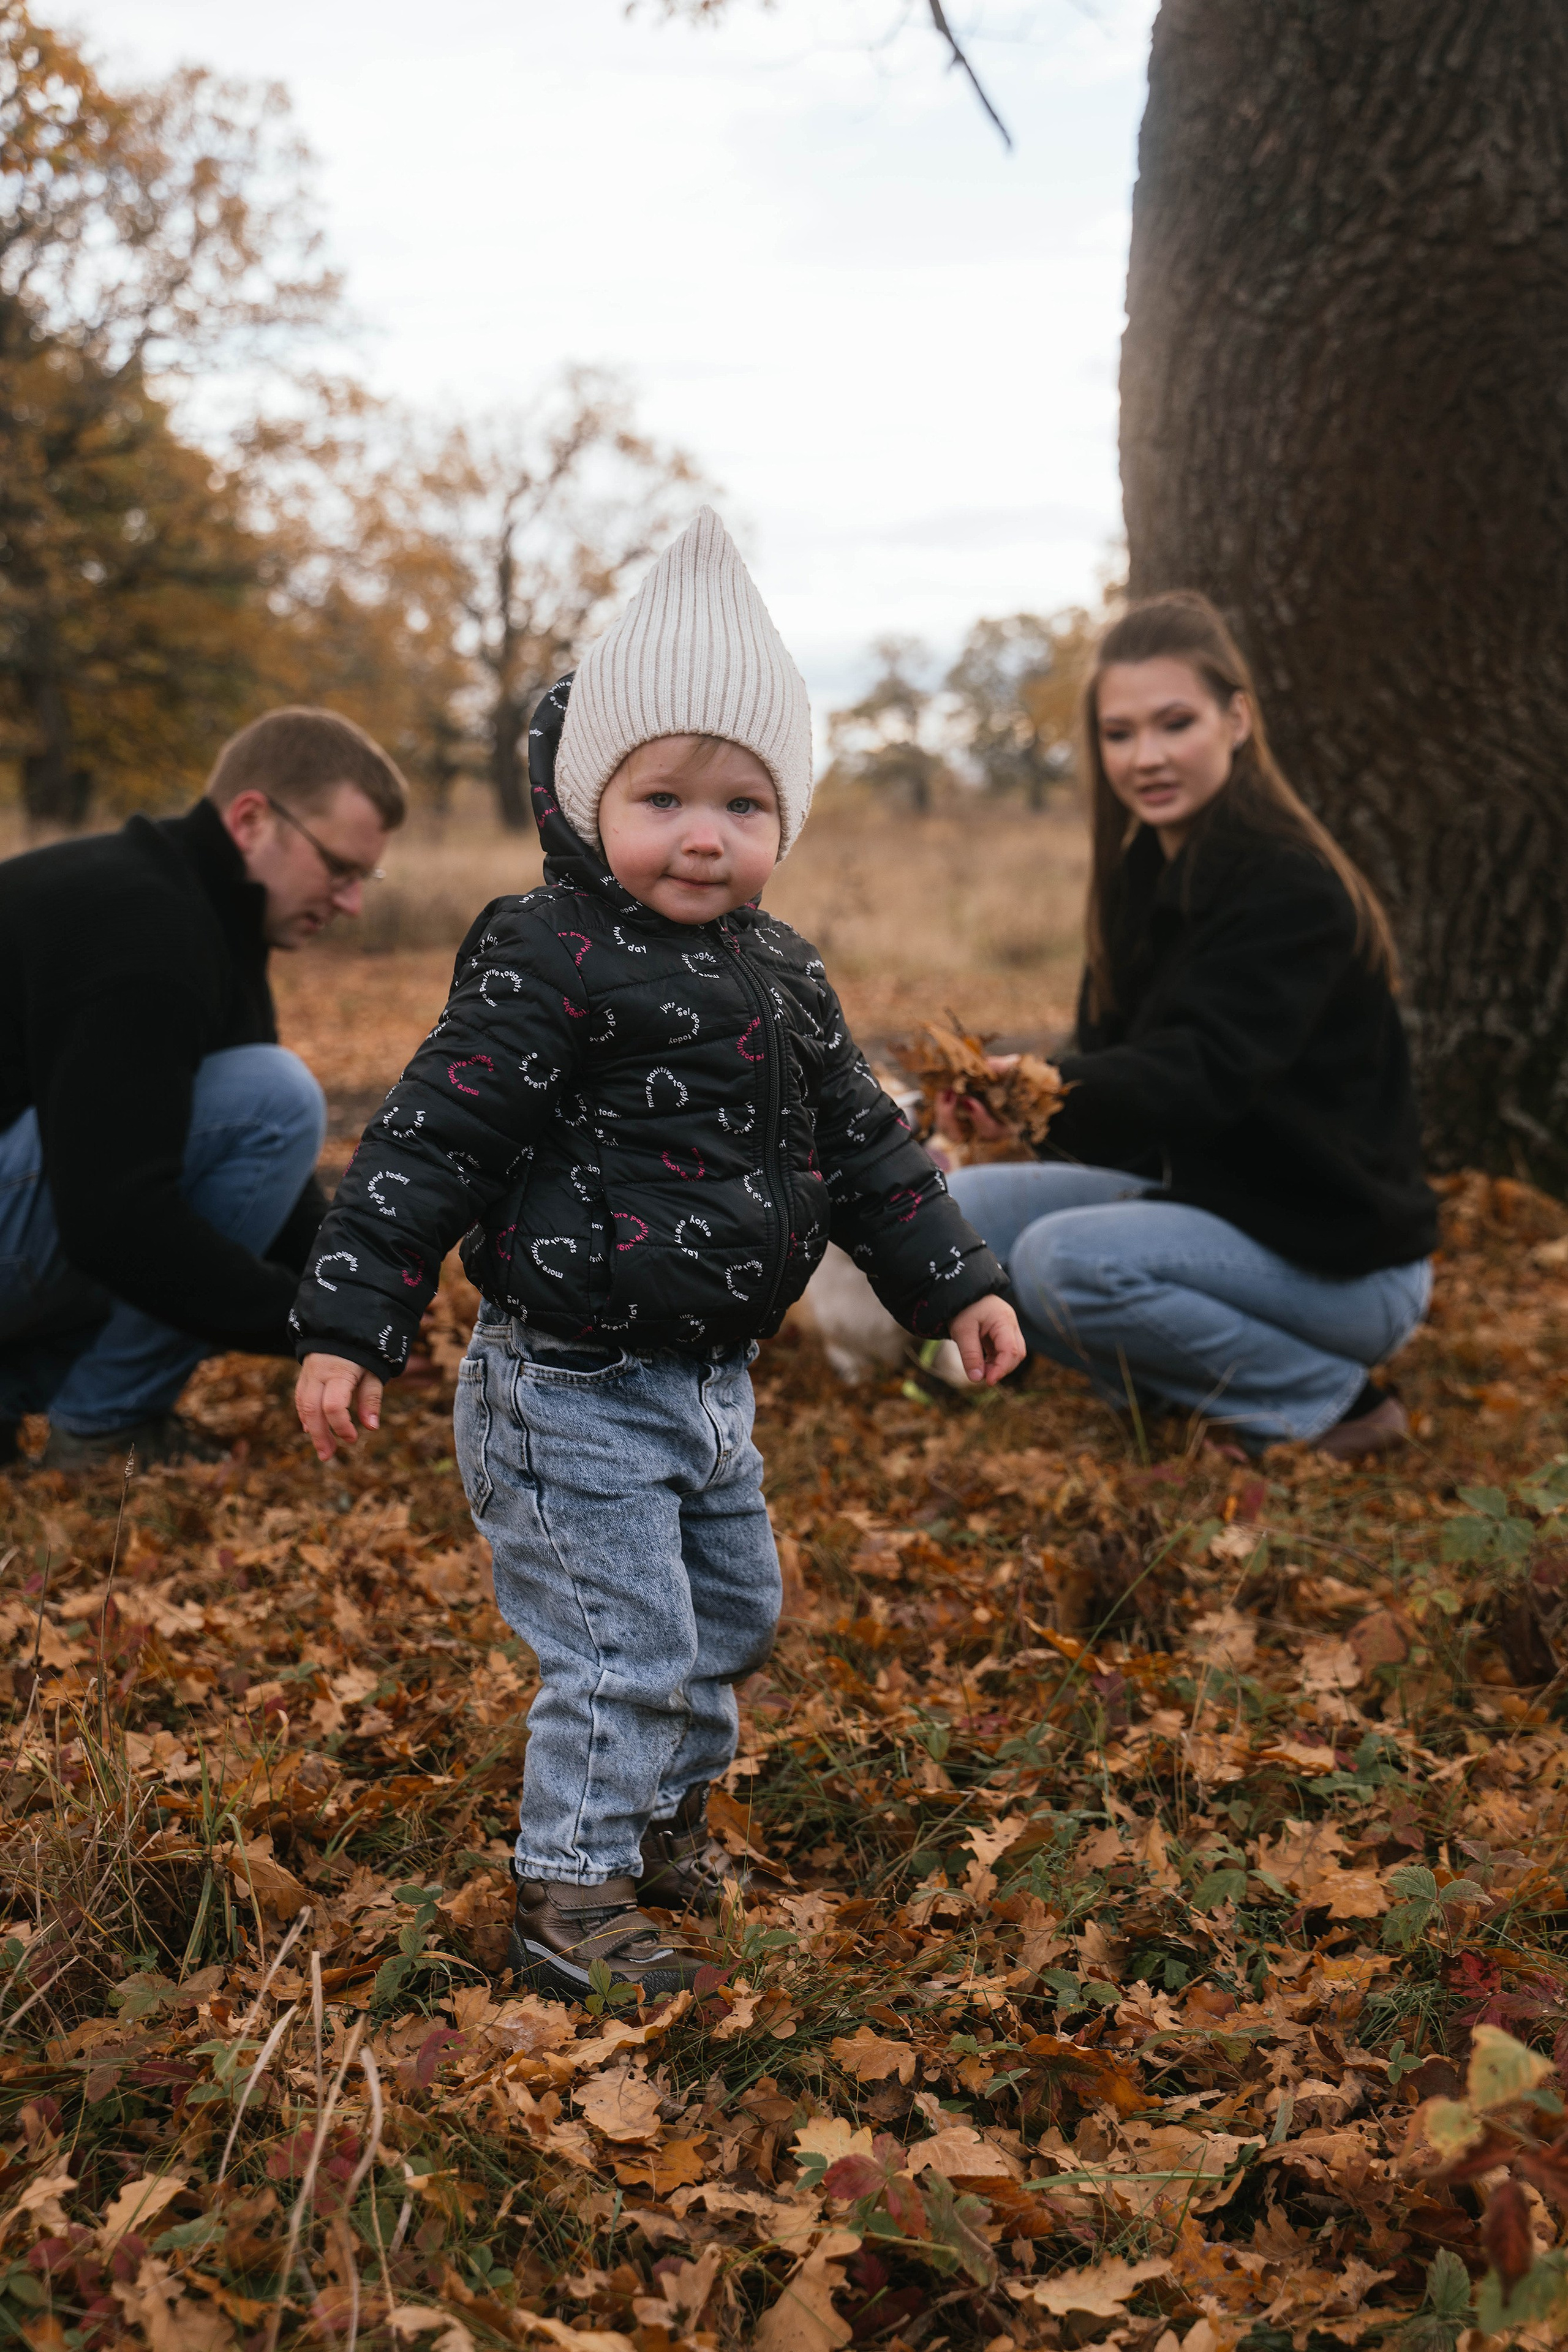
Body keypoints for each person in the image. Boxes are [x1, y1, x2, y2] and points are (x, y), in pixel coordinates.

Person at [292, 509, 1024, 1999]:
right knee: (623, 1640)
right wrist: (352, 1314)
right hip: (567, 1383)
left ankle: (658, 1821)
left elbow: (867, 1149)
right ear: (590, 800)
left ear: (784, 821)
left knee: (731, 1617)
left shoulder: (784, 972)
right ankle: (570, 1891)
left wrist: (956, 1280)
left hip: (709, 1387)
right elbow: (433, 1137)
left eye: (743, 804)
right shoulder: (545, 952)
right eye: (665, 797)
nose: (705, 835)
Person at [944, 591, 1437, 1460]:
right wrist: (1016, 1109)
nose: (1148, 757)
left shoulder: (1289, 889)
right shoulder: (1140, 879)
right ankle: (1178, 1385)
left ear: (1236, 720)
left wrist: (1041, 1086)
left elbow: (1198, 1073)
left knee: (1061, 1260)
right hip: (1213, 1215)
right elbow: (1120, 1078)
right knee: (958, 1215)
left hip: (1341, 1264)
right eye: (1120, 733)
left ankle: (1332, 1403)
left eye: (1176, 723)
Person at [0, 708, 407, 1472]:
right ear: (252, 820)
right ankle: (106, 1427)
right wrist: (312, 1326)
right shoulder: (142, 927)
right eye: (339, 868)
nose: (351, 902)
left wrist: (353, 1299)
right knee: (276, 1096)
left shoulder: (193, 908)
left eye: (364, 878)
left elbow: (266, 1186)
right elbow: (113, 1220)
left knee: (259, 1105)